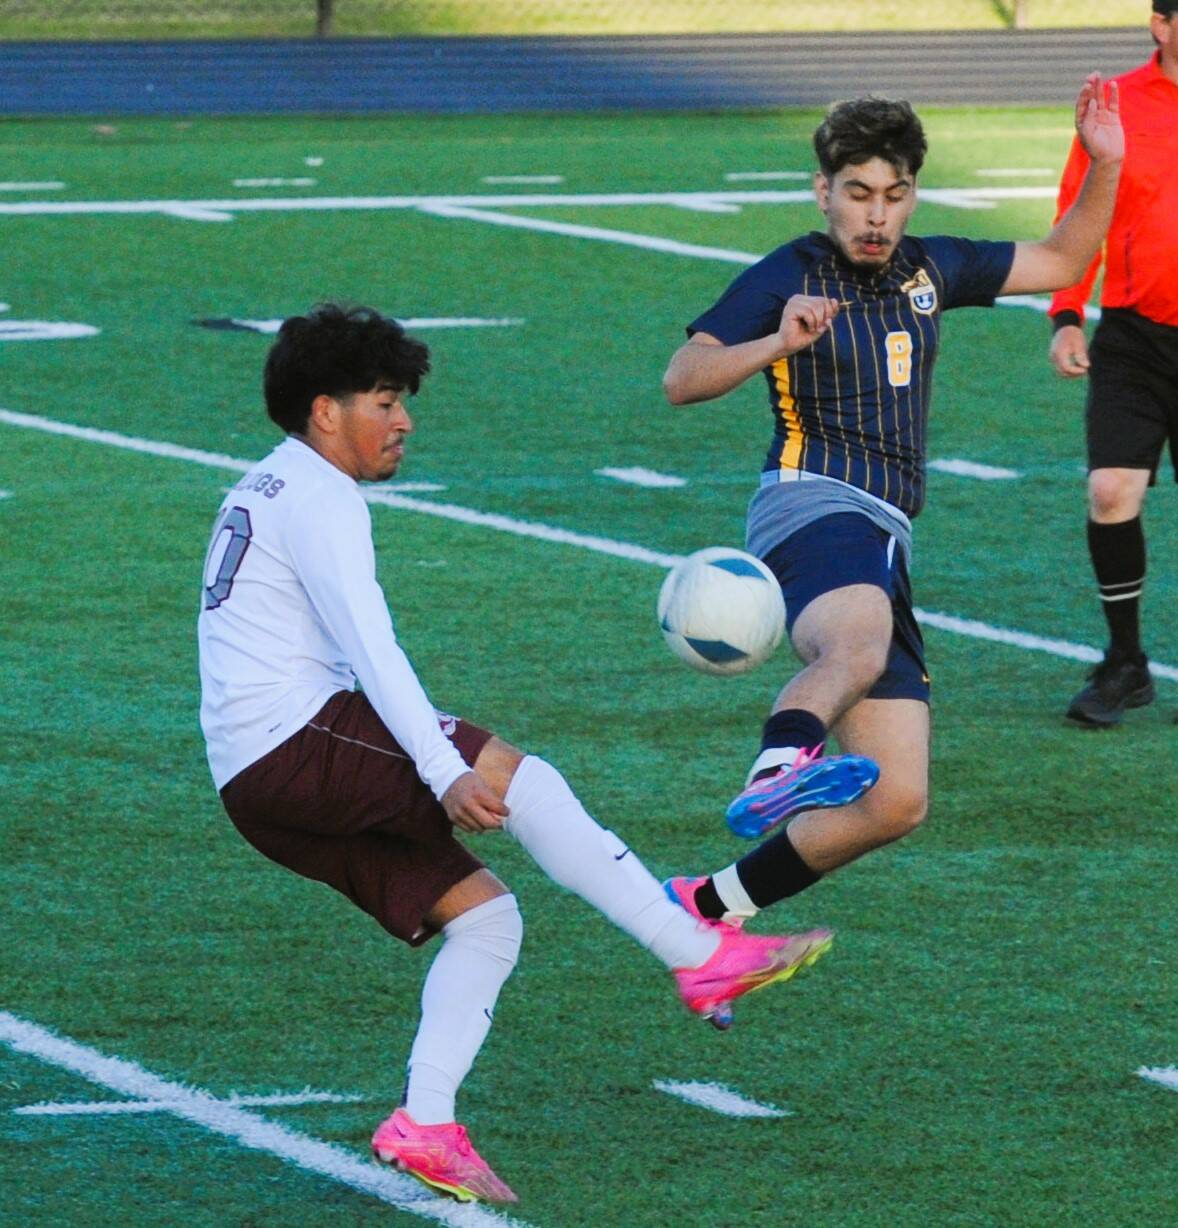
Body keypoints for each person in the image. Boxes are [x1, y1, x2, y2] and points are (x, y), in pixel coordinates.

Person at [196, 304, 832, 1207]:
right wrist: (442, 768)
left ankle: (424, 1122)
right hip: (294, 743)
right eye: (384, 400)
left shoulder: (267, 484)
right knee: (519, 778)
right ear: (325, 411)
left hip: (255, 778)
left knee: (488, 920)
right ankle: (695, 951)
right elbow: (375, 653)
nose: (405, 419)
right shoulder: (319, 496)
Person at [658, 78, 1123, 961]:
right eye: (859, 194)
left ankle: (709, 905)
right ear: (822, 189)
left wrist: (1105, 165)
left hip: (885, 533)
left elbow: (1063, 262)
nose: (877, 216)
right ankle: (776, 770)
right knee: (857, 647)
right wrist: (778, 342)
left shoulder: (930, 268)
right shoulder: (787, 274)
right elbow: (683, 378)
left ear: (912, 192)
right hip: (811, 502)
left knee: (897, 799)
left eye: (894, 195)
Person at [1049, 2, 1178, 728]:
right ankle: (1125, 663)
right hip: (1134, 336)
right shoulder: (1117, 106)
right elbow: (1080, 210)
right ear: (1161, 24)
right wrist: (1067, 313)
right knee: (1110, 490)